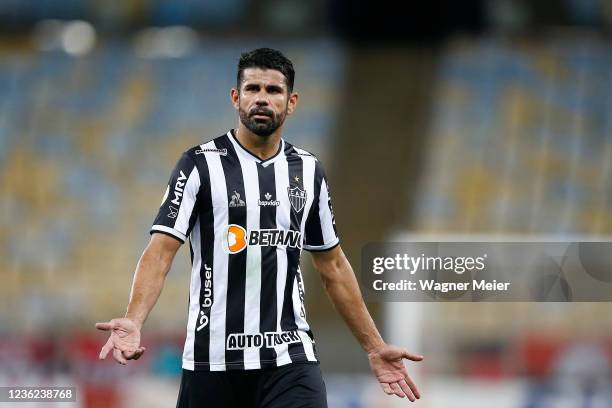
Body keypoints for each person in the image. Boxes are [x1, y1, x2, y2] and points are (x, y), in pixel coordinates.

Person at [96, 47, 423, 407]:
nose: (262, 99)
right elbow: (160, 252)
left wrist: (375, 347)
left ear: (291, 101)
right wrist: (134, 319)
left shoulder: (308, 171)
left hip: (290, 358)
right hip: (212, 361)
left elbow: (332, 266)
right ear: (236, 98)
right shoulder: (200, 165)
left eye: (273, 90)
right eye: (252, 89)